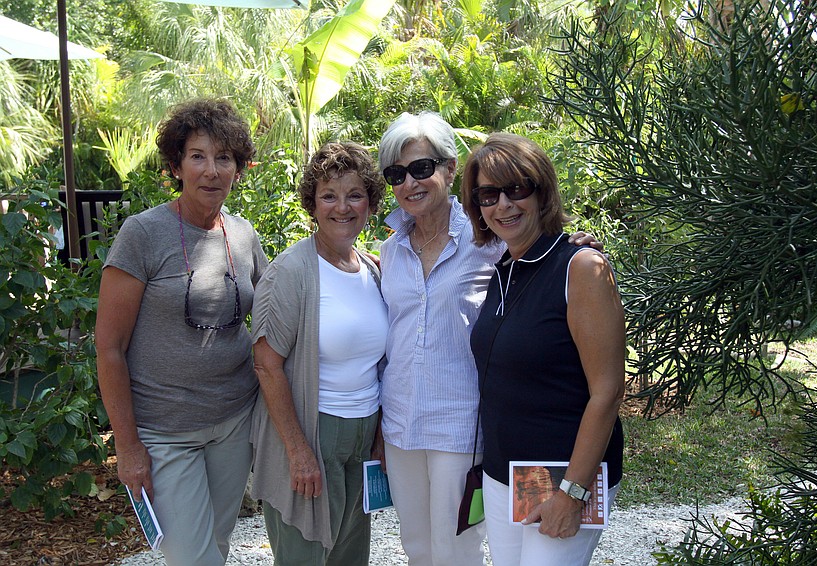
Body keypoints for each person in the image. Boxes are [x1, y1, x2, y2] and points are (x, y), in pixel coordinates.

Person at [376, 111, 601, 566]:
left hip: (462, 423)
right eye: (396, 174)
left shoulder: (490, 239)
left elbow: (542, 253)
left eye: (422, 168)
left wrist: (577, 248)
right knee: (416, 547)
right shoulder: (388, 250)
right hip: (400, 421)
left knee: (456, 549)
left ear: (448, 168)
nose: (410, 183)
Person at [94, 98, 268, 565]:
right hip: (165, 431)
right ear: (176, 164)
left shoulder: (244, 235)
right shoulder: (143, 234)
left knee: (218, 544)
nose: (211, 171)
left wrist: (348, 264)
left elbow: (275, 309)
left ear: (239, 168)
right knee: (193, 558)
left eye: (224, 157)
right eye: (198, 156)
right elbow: (109, 347)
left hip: (234, 420)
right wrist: (127, 447)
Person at [462, 132, 625, 566]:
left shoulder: (581, 267)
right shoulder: (504, 268)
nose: (504, 205)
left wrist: (572, 493)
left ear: (542, 191)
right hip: (506, 474)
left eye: (517, 189)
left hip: (565, 474)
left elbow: (607, 391)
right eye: (488, 194)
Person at [250, 141, 388, 566]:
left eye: (354, 195)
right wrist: (298, 450)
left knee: (349, 557)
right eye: (329, 195)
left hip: (362, 437)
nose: (342, 207)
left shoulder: (372, 268)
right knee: (305, 557)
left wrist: (379, 439)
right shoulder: (291, 273)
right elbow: (266, 363)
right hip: (312, 432)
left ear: (370, 202)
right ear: (312, 204)